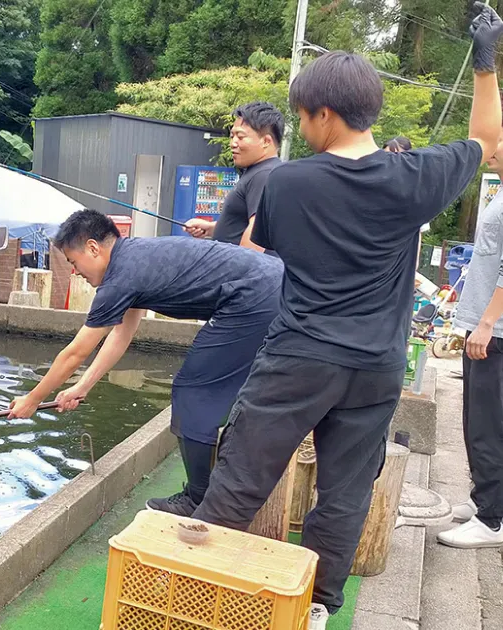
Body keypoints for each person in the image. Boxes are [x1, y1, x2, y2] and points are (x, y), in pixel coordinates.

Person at [190, 4, 503, 628]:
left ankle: (202, 590)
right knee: (345, 494)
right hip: (376, 367)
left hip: (298, 359)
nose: (303, 127)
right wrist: (486, 62)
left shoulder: (286, 184)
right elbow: (489, 140)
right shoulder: (417, 176)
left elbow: (262, 247)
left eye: (304, 116)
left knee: (242, 475)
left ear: (324, 114)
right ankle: (317, 611)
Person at [8, 209, 283, 517]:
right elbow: (121, 333)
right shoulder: (134, 258)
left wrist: (33, 399)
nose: (75, 272)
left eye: (73, 262)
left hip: (255, 297)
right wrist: (81, 387)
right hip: (270, 283)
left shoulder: (120, 277)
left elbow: (75, 353)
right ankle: (221, 486)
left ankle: (200, 500)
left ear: (93, 248)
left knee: (193, 391)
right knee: (219, 391)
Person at [437, 126, 503, 549]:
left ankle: (492, 519)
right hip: (487, 324)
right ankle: (487, 500)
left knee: (486, 423)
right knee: (484, 419)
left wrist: (485, 324)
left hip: (494, 330)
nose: (491, 149)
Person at [184, 101, 284, 252]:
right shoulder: (259, 171)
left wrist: (239, 272)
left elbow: (257, 232)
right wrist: (211, 228)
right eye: (232, 136)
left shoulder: (264, 174)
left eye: (240, 137)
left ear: (266, 141)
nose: (233, 143)